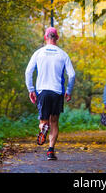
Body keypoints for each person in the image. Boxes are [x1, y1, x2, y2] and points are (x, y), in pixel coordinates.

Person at [25, 27, 75, 161]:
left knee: (44, 120)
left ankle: (43, 128)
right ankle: (50, 151)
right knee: (55, 122)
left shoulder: (38, 53)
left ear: (45, 37)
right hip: (57, 91)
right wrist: (68, 91)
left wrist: (31, 90)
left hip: (42, 91)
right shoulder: (63, 54)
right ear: (57, 38)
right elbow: (72, 74)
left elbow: (28, 72)